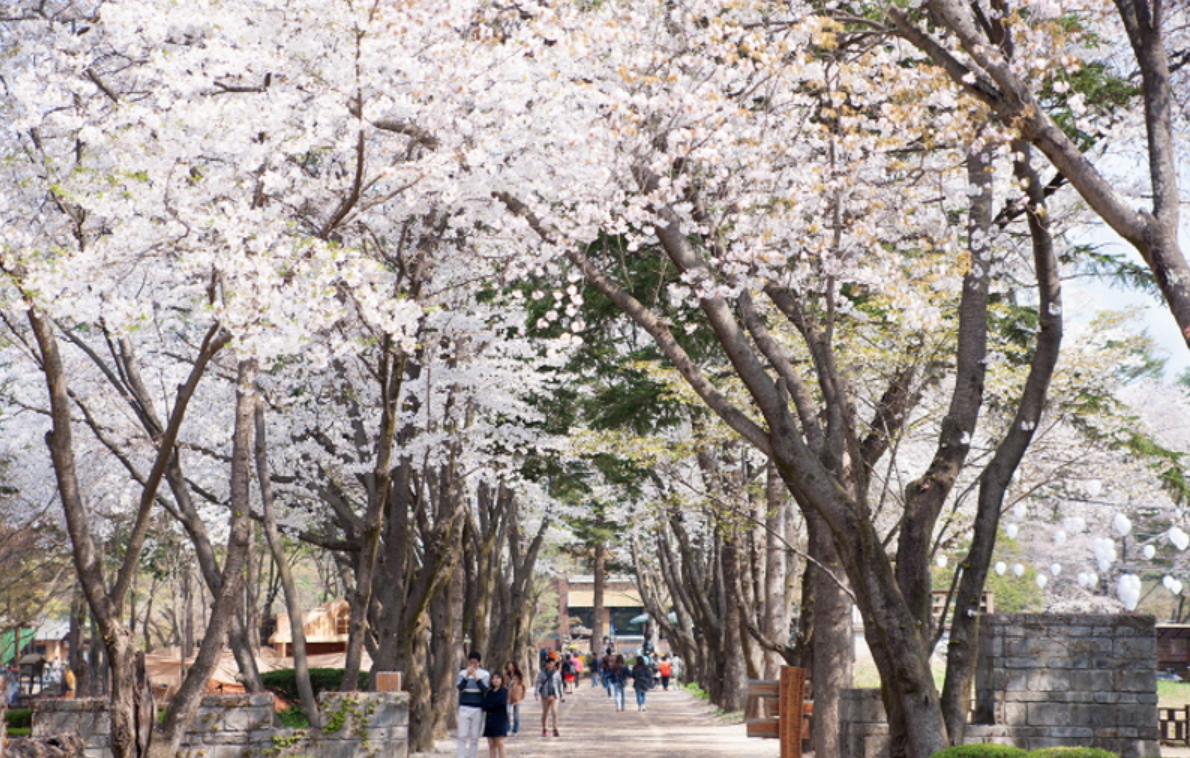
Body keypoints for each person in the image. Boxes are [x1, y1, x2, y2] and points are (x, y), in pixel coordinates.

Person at [456, 651, 491, 758]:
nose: (473, 665)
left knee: (474, 737)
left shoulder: (485, 674)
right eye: (471, 663)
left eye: (475, 663)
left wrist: (476, 677)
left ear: (479, 662)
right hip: (464, 706)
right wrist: (467, 676)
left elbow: (484, 689)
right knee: (462, 735)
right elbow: (460, 687)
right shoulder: (462, 673)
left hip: (478, 707)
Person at [535, 655, 564, 736]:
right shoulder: (542, 673)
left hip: (554, 695)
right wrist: (536, 693)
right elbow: (538, 683)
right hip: (545, 695)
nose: (550, 665)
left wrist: (561, 695)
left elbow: (560, 684)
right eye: (549, 663)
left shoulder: (557, 673)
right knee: (545, 713)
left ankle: (555, 729)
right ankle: (545, 728)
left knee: (554, 712)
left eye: (552, 663)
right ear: (546, 664)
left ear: (554, 664)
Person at [482, 672, 509, 758]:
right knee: (491, 744)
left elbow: (500, 703)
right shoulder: (489, 692)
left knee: (500, 743)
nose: (495, 680)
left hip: (500, 719)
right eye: (493, 678)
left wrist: (490, 704)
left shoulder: (504, 691)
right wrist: (490, 704)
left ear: (501, 679)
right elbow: (484, 705)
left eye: (498, 678)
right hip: (490, 719)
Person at [503, 661, 526, 735]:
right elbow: (503, 685)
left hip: (517, 696)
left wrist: (522, 695)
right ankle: (508, 728)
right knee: (507, 712)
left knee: (516, 714)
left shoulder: (519, 676)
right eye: (509, 666)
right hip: (507, 696)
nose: (510, 667)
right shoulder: (505, 675)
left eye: (511, 666)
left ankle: (515, 729)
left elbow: (524, 686)